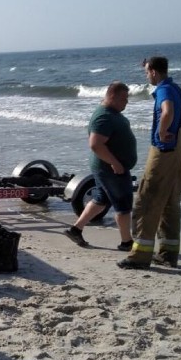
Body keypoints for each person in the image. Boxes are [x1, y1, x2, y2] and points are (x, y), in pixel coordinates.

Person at [118, 56, 181, 270]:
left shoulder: (163, 89)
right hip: (179, 152)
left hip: (163, 153)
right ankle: (168, 254)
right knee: (170, 203)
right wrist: (177, 127)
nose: (146, 76)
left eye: (146, 72)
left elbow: (168, 110)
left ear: (153, 71)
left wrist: (163, 132)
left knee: (147, 200)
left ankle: (139, 257)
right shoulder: (175, 87)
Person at [65, 80, 137, 250]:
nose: (126, 102)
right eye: (123, 99)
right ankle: (127, 242)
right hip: (110, 169)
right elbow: (95, 144)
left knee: (101, 200)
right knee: (123, 204)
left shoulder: (111, 113)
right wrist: (115, 163)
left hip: (107, 167)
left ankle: (76, 229)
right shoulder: (104, 116)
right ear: (112, 96)